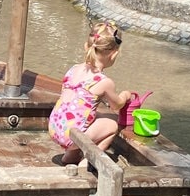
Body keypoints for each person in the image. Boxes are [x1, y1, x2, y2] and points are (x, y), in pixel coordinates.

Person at [48, 21, 133, 166]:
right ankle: (87, 162)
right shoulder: (104, 82)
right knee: (112, 124)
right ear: (114, 55)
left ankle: (69, 157)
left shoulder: (73, 69)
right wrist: (125, 95)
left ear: (86, 46)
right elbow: (117, 106)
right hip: (71, 137)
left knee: (88, 115)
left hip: (54, 129)